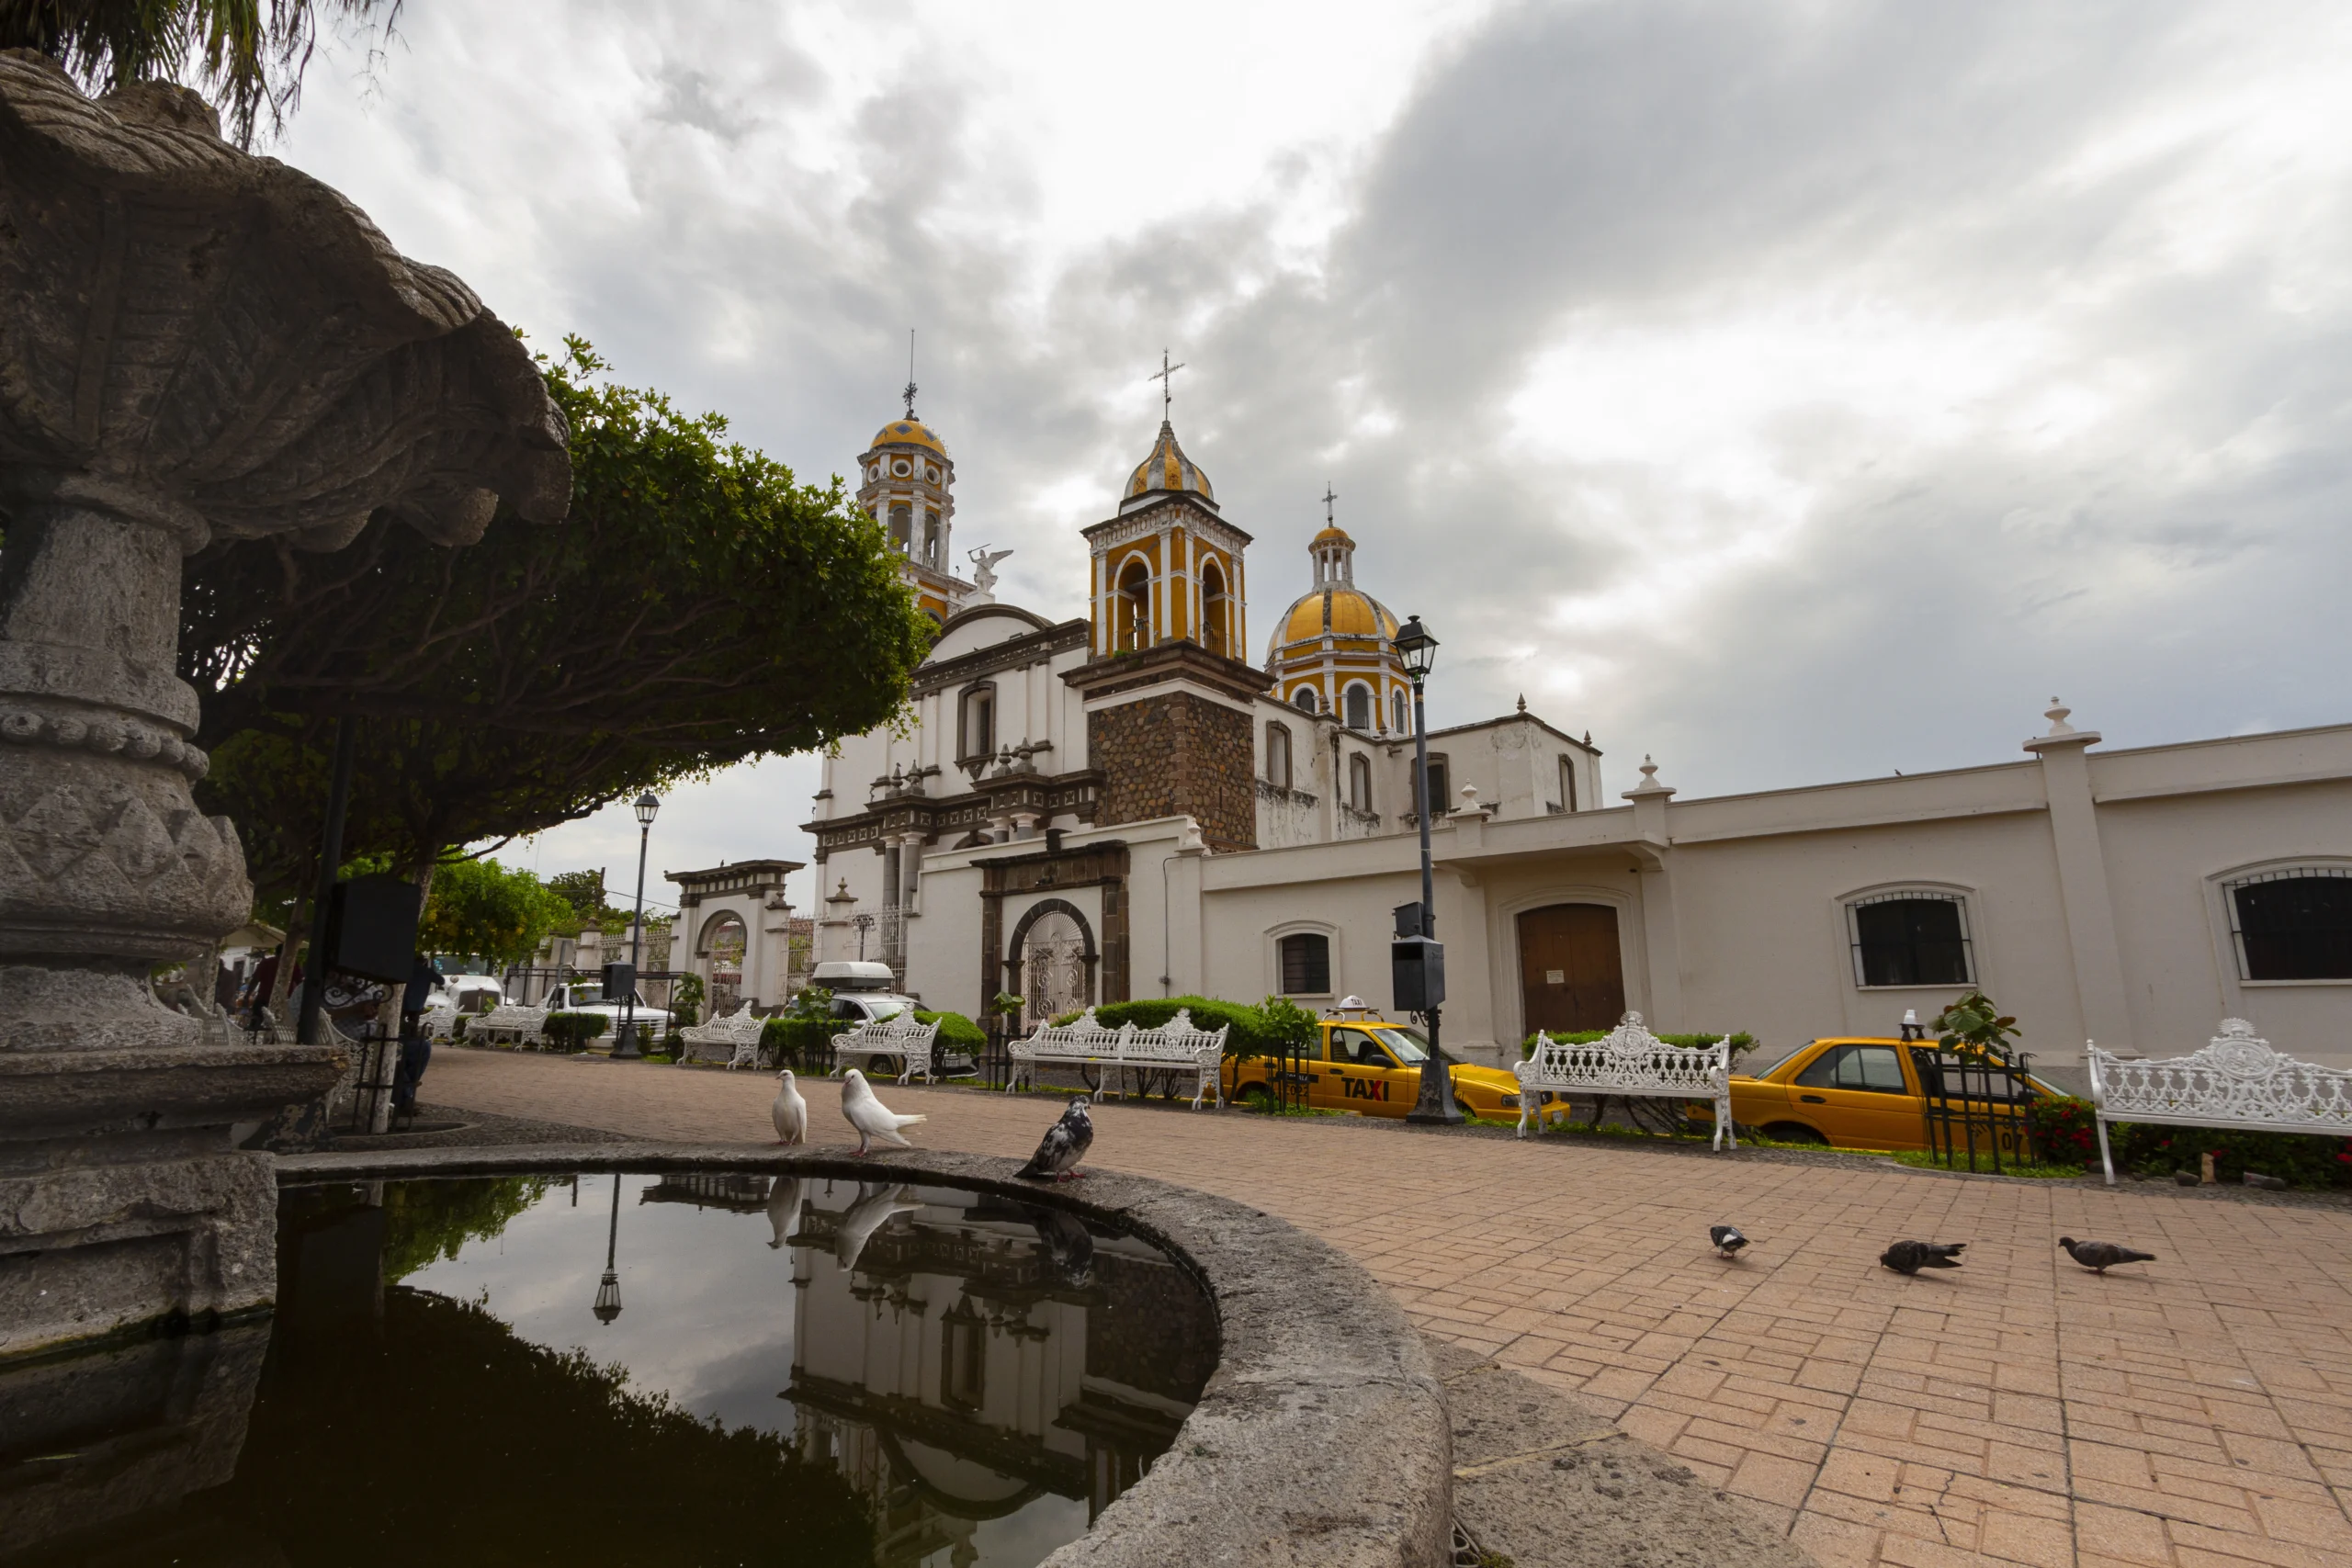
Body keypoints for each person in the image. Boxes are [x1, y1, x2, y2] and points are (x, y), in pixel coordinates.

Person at [392, 953, 439, 1122]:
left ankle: (405, 1092)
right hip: (412, 1008)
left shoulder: (407, 970)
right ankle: (406, 1095)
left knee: (420, 1046)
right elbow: (440, 981)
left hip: (406, 1008)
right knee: (394, 1053)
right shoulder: (422, 971)